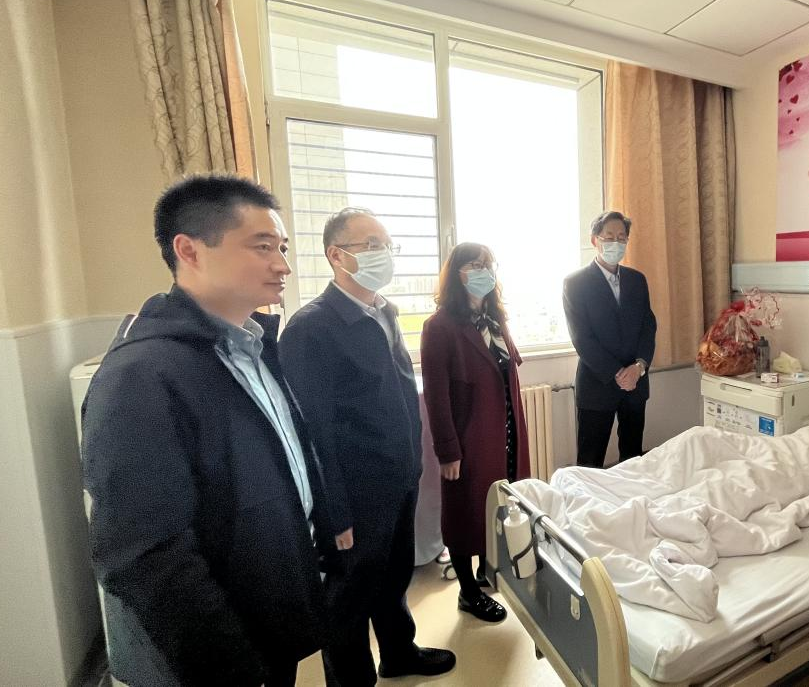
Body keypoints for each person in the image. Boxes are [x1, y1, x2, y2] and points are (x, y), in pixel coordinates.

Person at [81, 175, 348, 686]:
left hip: (269, 612)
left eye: (283, 248)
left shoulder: (252, 346)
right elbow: (145, 554)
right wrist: (230, 669)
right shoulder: (141, 376)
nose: (283, 265)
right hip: (220, 649)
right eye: (262, 246)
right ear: (190, 251)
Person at [279, 208, 455, 685]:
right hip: (355, 492)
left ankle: (399, 652)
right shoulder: (311, 328)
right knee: (349, 597)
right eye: (371, 245)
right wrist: (334, 513)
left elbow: (397, 395)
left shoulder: (384, 312)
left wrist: (414, 464)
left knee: (394, 577)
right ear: (337, 255)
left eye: (387, 245)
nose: (384, 254)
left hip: (399, 476)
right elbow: (313, 432)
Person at [420, 242, 531, 623]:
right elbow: (436, 396)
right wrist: (448, 449)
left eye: (489, 264)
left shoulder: (495, 320)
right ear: (457, 273)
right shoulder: (439, 327)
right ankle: (467, 591)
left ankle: (487, 571)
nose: (484, 271)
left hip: (505, 431)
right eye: (474, 265)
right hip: (469, 438)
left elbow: (505, 373)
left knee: (497, 503)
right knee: (464, 513)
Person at [563, 211, 658, 468]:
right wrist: (618, 373)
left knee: (633, 458)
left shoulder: (637, 280)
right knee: (590, 462)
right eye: (609, 237)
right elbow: (582, 338)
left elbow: (648, 327)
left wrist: (639, 367)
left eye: (621, 237)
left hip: (635, 383)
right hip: (597, 384)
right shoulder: (575, 283)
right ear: (595, 240)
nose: (616, 242)